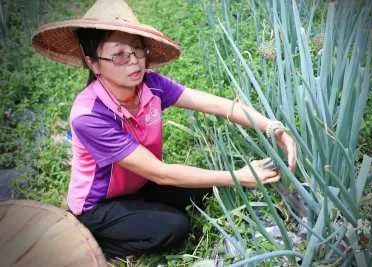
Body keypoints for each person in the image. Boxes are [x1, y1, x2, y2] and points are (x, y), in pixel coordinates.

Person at [32, 0, 296, 259]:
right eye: (120, 54)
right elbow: (162, 173)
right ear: (93, 63)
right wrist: (239, 176)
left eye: (137, 50)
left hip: (139, 185)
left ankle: (139, 212)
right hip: (98, 206)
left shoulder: (151, 84)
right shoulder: (89, 116)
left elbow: (218, 105)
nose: (134, 62)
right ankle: (95, 241)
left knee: (202, 190)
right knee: (174, 227)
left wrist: (273, 128)